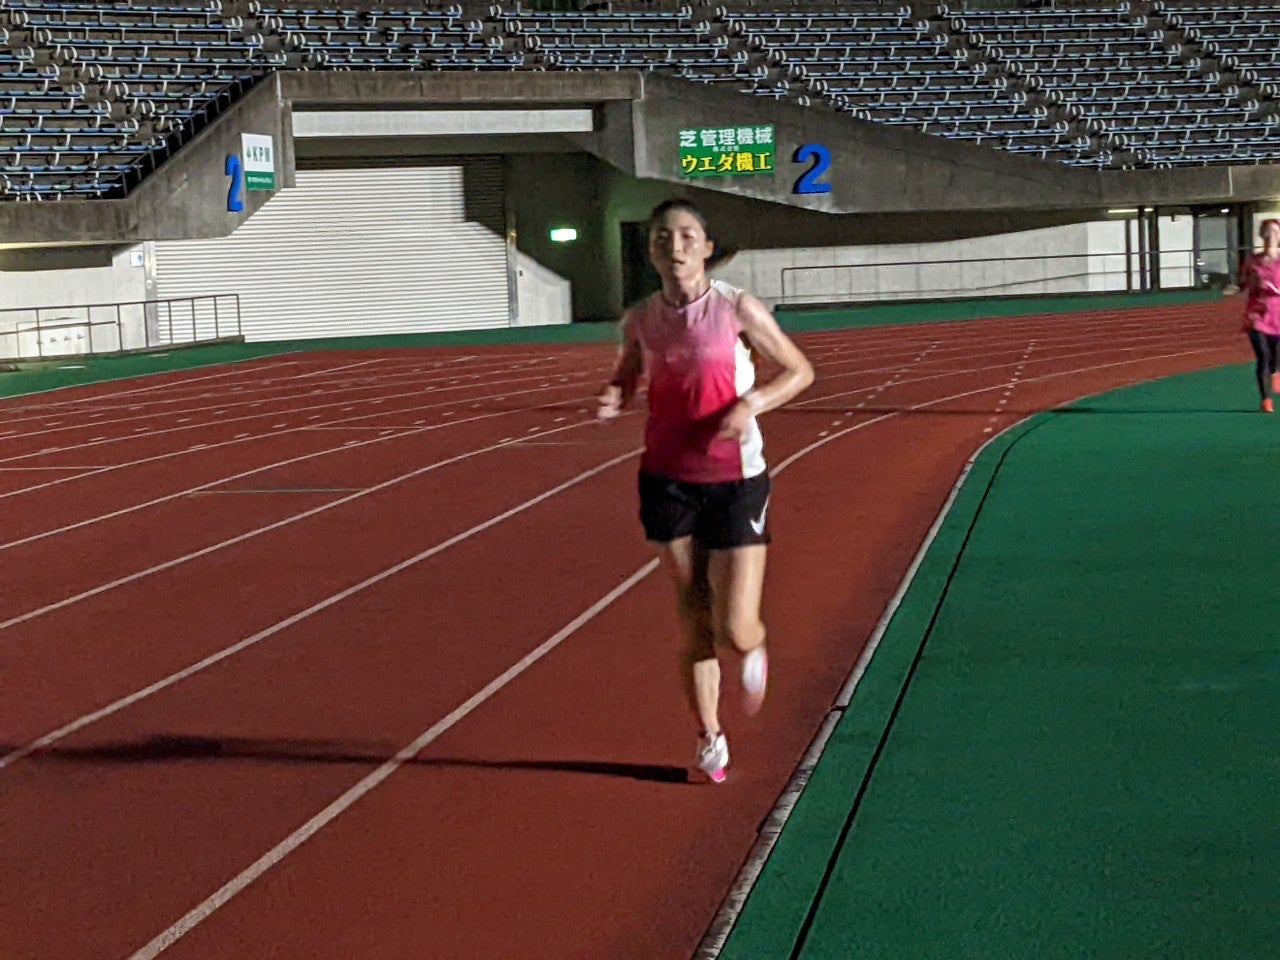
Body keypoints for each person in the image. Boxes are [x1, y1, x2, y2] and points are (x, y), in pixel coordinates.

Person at [597, 198, 814, 783]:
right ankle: (709, 739)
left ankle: (754, 645)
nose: (675, 247)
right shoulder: (641, 318)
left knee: (734, 627)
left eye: (687, 236)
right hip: (666, 480)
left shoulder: (737, 308)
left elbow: (800, 370)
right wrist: (616, 392)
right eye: (662, 237)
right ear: (650, 250)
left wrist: (752, 403)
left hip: (736, 480)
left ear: (707, 248)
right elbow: (628, 371)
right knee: (692, 614)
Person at [1239, 218, 1280, 412]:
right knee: (1263, 355)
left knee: (1275, 358)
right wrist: (1252, 284)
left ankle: (1275, 372)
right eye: (1268, 231)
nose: (1272, 235)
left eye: (1275, 232)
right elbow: (1242, 284)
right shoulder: (1252, 261)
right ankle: (1266, 400)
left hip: (1278, 315)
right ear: (1262, 235)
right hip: (1256, 315)